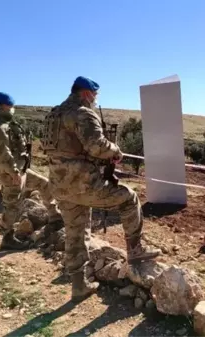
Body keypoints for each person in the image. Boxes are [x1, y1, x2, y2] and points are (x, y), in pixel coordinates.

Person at [41, 76, 160, 301]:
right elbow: (97, 146)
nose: (95, 99)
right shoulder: (83, 113)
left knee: (75, 231)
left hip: (60, 185)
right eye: (95, 94)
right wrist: (115, 151)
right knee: (129, 198)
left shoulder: (53, 114)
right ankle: (135, 250)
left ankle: (78, 285)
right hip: (84, 184)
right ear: (86, 93)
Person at [0, 92, 63, 250]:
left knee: (44, 184)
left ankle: (54, 216)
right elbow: (2, 153)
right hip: (11, 172)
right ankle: (7, 236)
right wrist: (13, 173)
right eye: (11, 106)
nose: (13, 109)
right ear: (4, 106)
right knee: (13, 204)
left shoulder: (2, 123)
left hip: (20, 169)